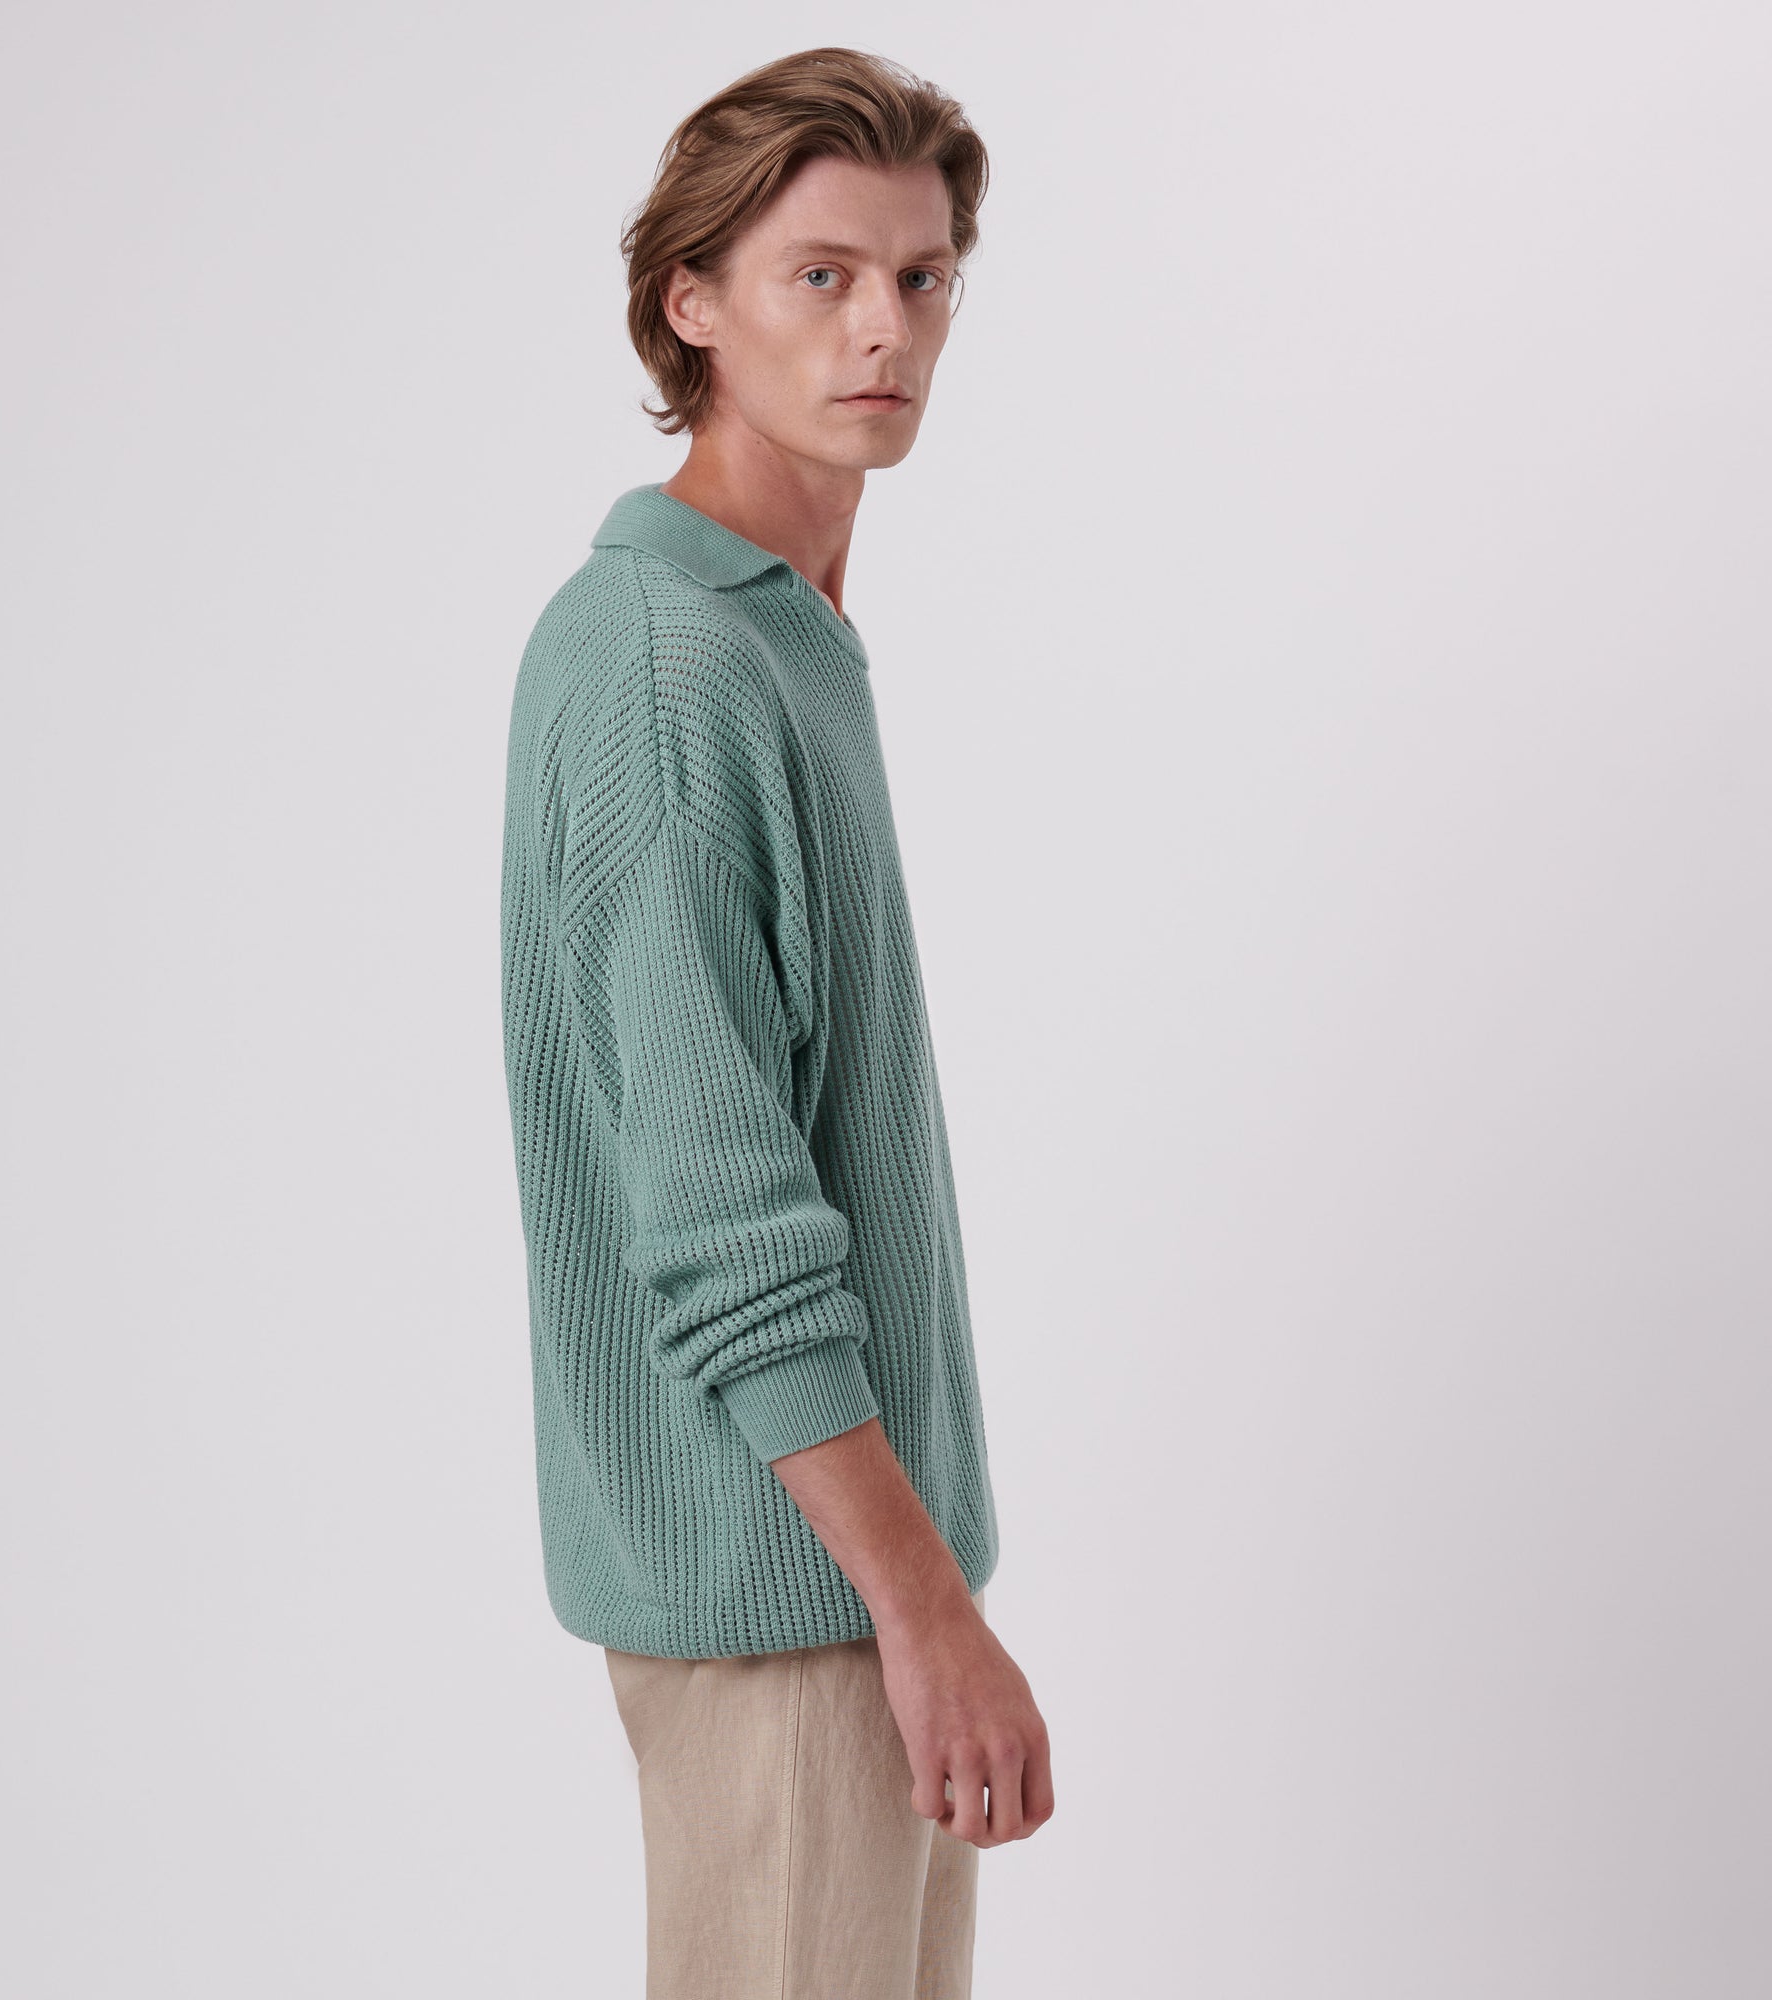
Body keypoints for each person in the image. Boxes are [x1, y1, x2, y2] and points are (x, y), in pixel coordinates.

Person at [498, 46, 1054, 1997]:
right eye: (821, 274)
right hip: (793, 1599)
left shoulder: (776, 633)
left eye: (920, 277)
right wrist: (924, 1612)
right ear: (694, 305)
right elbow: (721, 1225)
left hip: (838, 1585)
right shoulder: (672, 671)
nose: (884, 327)